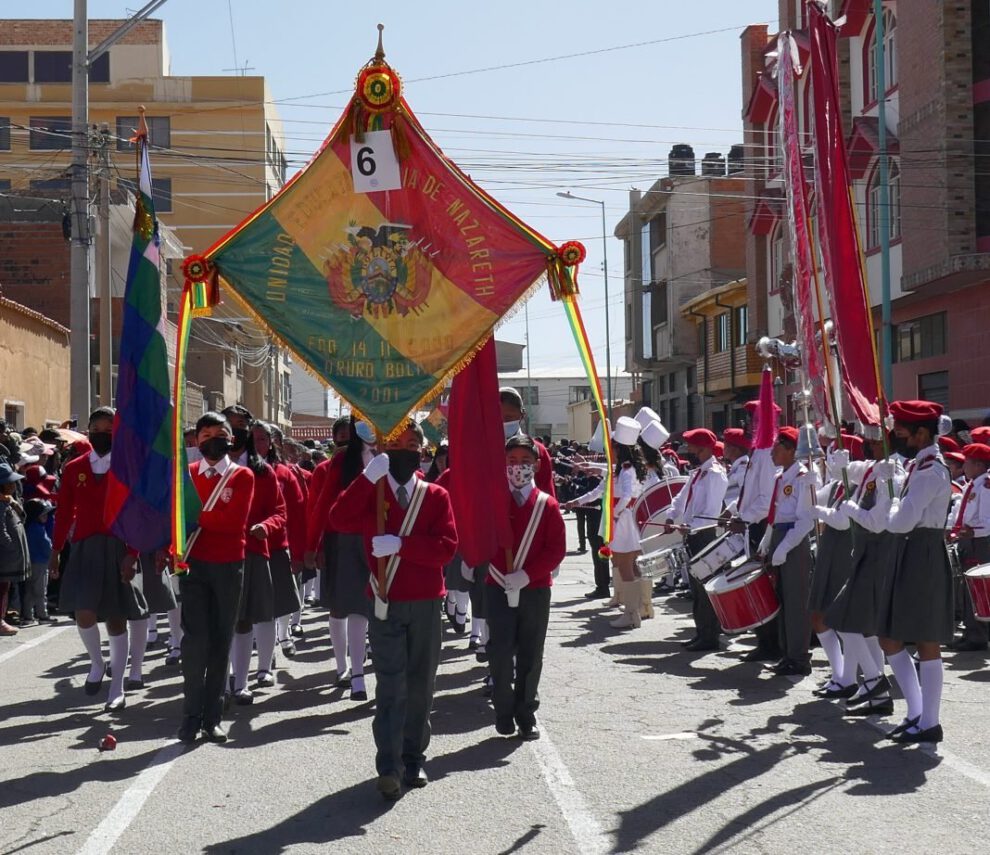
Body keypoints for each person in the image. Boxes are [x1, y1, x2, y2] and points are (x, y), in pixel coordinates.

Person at [329, 421, 457, 800]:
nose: (405, 449)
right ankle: (388, 764)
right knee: (390, 684)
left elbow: (446, 547)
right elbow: (338, 518)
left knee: (421, 684)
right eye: (395, 444)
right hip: (384, 599)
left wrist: (401, 544)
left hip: (426, 601)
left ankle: (413, 757)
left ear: (423, 450)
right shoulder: (375, 490)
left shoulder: (434, 495)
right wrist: (367, 478)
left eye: (412, 443)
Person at [50, 407, 148, 711]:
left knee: (117, 619)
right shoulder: (74, 467)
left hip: (119, 547)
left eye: (110, 430)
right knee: (84, 613)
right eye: (98, 428)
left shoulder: (128, 467)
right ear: (89, 429)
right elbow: (65, 511)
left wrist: (132, 554)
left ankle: (116, 687)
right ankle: (96, 664)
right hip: (84, 548)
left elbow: (138, 514)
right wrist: (55, 551)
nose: (103, 434)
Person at [876, 400, 954, 743]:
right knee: (890, 636)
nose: (897, 435)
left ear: (922, 433)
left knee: (925, 640)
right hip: (909, 551)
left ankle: (929, 722)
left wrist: (893, 504)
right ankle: (916, 712)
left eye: (903, 430)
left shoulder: (931, 470)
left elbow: (902, 521)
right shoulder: (918, 466)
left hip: (921, 552)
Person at [177, 412, 255, 743]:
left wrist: (196, 514)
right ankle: (191, 714)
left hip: (228, 566)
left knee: (221, 642)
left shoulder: (243, 476)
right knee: (195, 643)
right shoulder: (187, 475)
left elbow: (233, 522)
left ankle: (213, 716)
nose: (213, 440)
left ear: (231, 439)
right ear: (196, 440)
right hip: (193, 566)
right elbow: (177, 521)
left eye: (219, 434)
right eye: (205, 435)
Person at [486, 434, 566, 740]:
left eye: (525, 461)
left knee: (531, 654)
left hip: (533, 589)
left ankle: (526, 713)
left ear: (537, 465)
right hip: (497, 584)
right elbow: (482, 539)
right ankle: (503, 710)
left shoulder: (547, 505)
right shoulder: (493, 501)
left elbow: (555, 549)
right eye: (511, 461)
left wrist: (528, 574)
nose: (518, 467)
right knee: (500, 653)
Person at [823, 433, 902, 717]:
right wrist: (838, 461)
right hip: (863, 551)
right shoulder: (871, 468)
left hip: (878, 552)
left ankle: (875, 680)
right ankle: (877, 695)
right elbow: (837, 474)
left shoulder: (892, 474)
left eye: (877, 438)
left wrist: (850, 508)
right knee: (864, 625)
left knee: (842, 618)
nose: (871, 441)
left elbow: (878, 523)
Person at [305, 418, 376, 699]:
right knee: (343, 607)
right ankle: (345, 667)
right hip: (343, 541)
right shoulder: (343, 459)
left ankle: (359, 672)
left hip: (379, 542)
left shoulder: (391, 453)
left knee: (364, 608)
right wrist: (313, 545)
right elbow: (322, 503)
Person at [229, 425, 286, 705]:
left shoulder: (264, 472)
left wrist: (266, 525)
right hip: (213, 553)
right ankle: (221, 680)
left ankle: (241, 682)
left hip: (252, 551)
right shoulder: (202, 469)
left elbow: (280, 510)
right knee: (219, 620)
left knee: (247, 618)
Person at [757, 427, 815, 677]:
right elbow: (776, 513)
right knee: (782, 601)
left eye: (777, 448)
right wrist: (768, 539)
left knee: (796, 603)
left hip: (794, 540)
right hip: (780, 537)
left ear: (792, 450)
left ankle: (799, 658)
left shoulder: (805, 477)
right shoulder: (781, 478)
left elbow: (806, 520)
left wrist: (783, 547)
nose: (772, 453)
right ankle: (787, 654)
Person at [664, 428, 729, 652]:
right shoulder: (697, 473)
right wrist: (671, 515)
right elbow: (682, 498)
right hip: (693, 534)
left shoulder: (715, 474)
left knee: (704, 588)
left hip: (705, 535)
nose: (688, 450)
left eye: (691, 446)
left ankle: (710, 635)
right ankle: (701, 632)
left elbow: (710, 511)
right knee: (695, 588)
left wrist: (690, 526)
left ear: (702, 448)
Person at [252, 423, 304, 659]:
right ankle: (264, 647)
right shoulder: (238, 471)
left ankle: (283, 635)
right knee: (257, 604)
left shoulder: (284, 473)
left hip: (277, 546)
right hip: (249, 549)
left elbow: (297, 514)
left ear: (271, 442)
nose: (257, 444)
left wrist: (299, 552)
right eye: (252, 439)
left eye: (262, 439)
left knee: (280, 600)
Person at [947, 442, 990, 651]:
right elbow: (960, 514)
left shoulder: (986, 486)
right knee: (967, 589)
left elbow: (987, 521)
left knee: (977, 590)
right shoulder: (971, 485)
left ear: (980, 465)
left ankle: (977, 636)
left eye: (968, 463)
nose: (964, 467)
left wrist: (970, 531)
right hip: (968, 540)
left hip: (979, 542)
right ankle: (971, 631)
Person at [607, 417, 648, 629]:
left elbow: (625, 496)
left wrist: (614, 513)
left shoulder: (625, 469)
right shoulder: (632, 467)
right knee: (633, 565)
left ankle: (631, 614)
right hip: (630, 519)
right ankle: (639, 609)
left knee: (625, 566)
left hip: (623, 520)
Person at [499, 388, 555, 497]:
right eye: (496, 417)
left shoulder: (538, 450)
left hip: (531, 512)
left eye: (508, 417)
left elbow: (547, 494)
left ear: (522, 415)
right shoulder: (482, 451)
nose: (502, 422)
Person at [0, 463, 29, 636]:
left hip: (9, 557)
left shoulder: (7, 501)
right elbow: (1, 531)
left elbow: (22, 518)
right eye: (9, 483)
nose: (13, 485)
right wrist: (11, 547)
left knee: (5, 588)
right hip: (5, 557)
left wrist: (15, 503)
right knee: (2, 589)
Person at [22, 498, 54, 625]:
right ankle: (42, 614)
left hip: (30, 563)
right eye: (43, 514)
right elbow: (47, 547)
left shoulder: (29, 527)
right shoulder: (39, 529)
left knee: (29, 590)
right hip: (40, 563)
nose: (46, 516)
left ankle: (28, 615)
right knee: (41, 591)